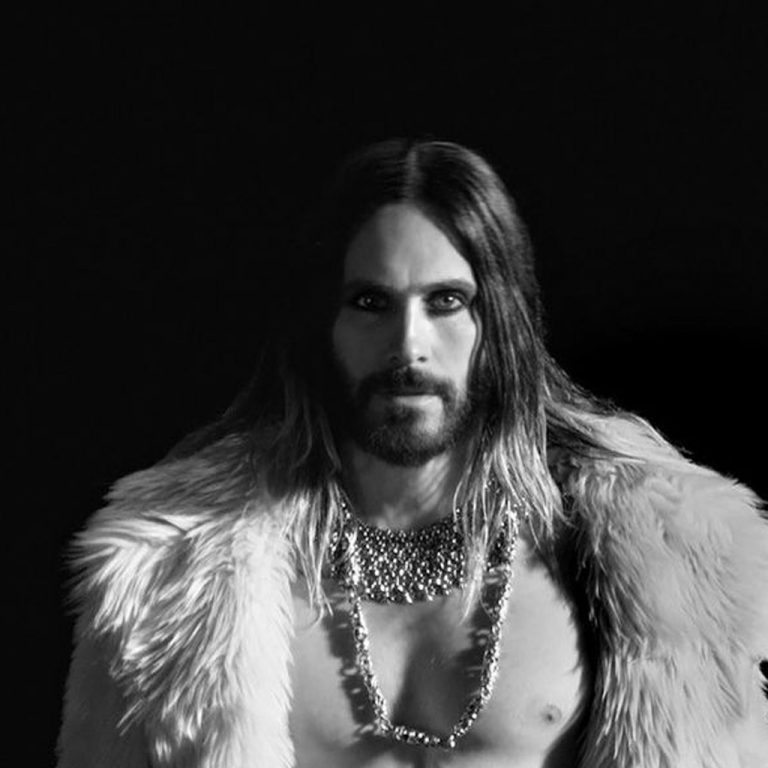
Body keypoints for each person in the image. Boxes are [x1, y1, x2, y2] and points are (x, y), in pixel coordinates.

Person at [57, 139, 768, 767]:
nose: (408, 345)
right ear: (320, 326)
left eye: (447, 301)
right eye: (371, 303)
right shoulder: (167, 570)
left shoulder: (669, 561)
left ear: (502, 322)